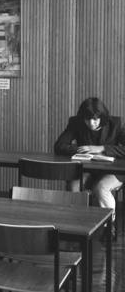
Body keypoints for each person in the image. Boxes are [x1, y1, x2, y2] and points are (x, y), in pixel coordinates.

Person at [54, 97, 125, 237]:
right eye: (87, 119)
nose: (91, 123)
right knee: (73, 186)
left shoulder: (115, 124)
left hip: (113, 171)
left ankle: (108, 227)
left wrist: (102, 148)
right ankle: (77, 226)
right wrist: (82, 150)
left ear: (103, 118)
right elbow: (59, 146)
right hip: (87, 170)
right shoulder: (76, 122)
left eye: (96, 119)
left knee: (101, 187)